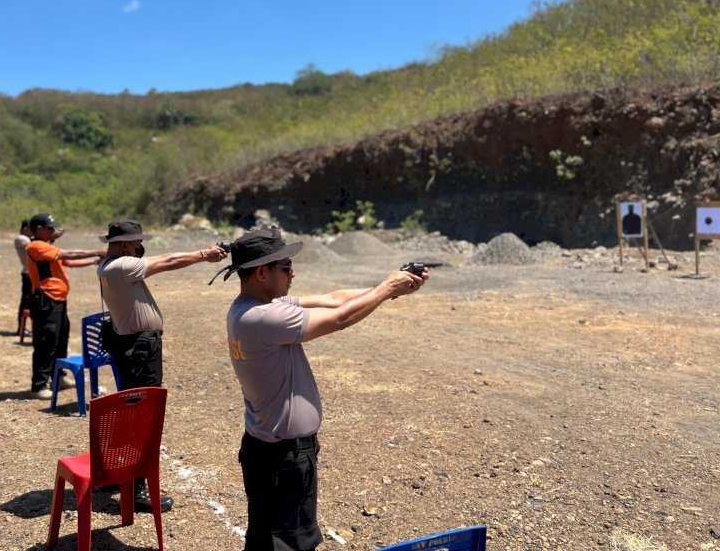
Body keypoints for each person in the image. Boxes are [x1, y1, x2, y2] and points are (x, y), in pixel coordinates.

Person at [222, 228, 428, 551]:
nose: (293, 273)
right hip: (283, 460)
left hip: (271, 453)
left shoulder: (251, 307)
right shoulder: (264, 316)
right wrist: (387, 287)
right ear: (262, 272)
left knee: (266, 540)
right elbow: (341, 317)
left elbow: (334, 299)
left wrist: (393, 288)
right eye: (286, 266)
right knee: (289, 545)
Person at [96, 219, 229, 513]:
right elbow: (169, 260)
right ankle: (136, 488)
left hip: (133, 346)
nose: (139, 247)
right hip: (140, 348)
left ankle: (119, 475)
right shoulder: (119, 266)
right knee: (142, 416)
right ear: (122, 244)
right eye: (135, 243)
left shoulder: (107, 265)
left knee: (131, 412)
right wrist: (205, 254)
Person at [26, 213, 106, 400]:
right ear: (39, 230)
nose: (54, 231)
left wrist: (95, 261)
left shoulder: (47, 247)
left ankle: (58, 377)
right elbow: (68, 254)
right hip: (46, 300)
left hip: (57, 300)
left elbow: (68, 262)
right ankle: (39, 385)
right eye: (50, 228)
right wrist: (97, 251)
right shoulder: (36, 246)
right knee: (46, 342)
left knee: (61, 339)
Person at [14, 219, 33, 334]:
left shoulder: (27, 239)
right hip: (28, 273)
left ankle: (23, 328)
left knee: (28, 302)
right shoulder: (22, 238)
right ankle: (21, 328)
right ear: (25, 229)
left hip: (29, 273)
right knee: (26, 302)